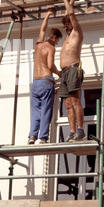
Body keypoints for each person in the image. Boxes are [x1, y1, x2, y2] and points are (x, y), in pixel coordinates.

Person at [28, 8, 63, 145]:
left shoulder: (38, 45)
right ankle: (43, 137)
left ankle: (32, 136)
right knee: (46, 110)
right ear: (54, 37)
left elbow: (42, 29)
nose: (57, 43)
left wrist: (48, 14)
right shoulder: (50, 47)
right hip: (46, 81)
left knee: (36, 111)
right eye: (58, 40)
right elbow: (50, 65)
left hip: (35, 82)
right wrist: (59, 73)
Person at [59, 0, 85, 142]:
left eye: (67, 24)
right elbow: (66, 15)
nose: (65, 27)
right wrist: (71, 1)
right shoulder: (68, 37)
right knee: (68, 104)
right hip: (64, 73)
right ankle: (72, 131)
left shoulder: (77, 32)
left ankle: (80, 130)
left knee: (75, 101)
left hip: (74, 70)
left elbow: (71, 15)